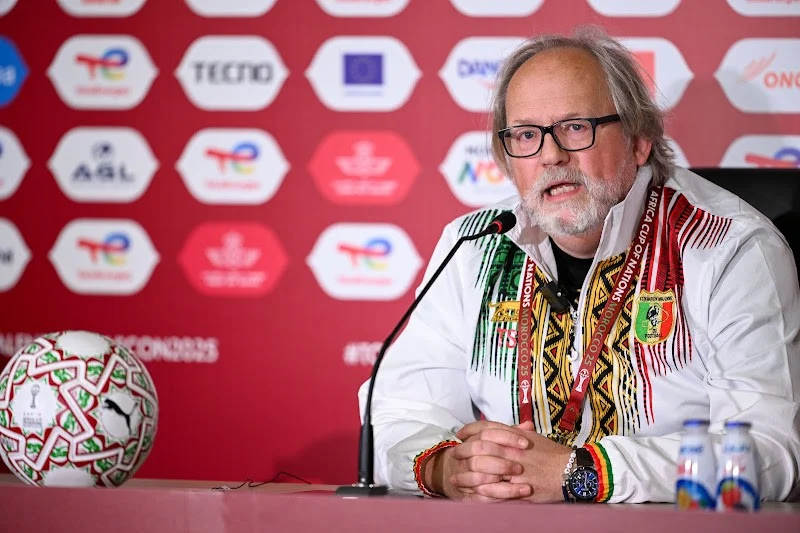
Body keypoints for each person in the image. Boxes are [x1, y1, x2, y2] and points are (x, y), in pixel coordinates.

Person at [357, 25, 800, 504]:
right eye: (526, 134)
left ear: (639, 140)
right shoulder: (474, 247)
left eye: (575, 127)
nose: (551, 155)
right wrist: (447, 467)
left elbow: (770, 451)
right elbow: (396, 414)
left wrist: (581, 473)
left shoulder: (727, 247)